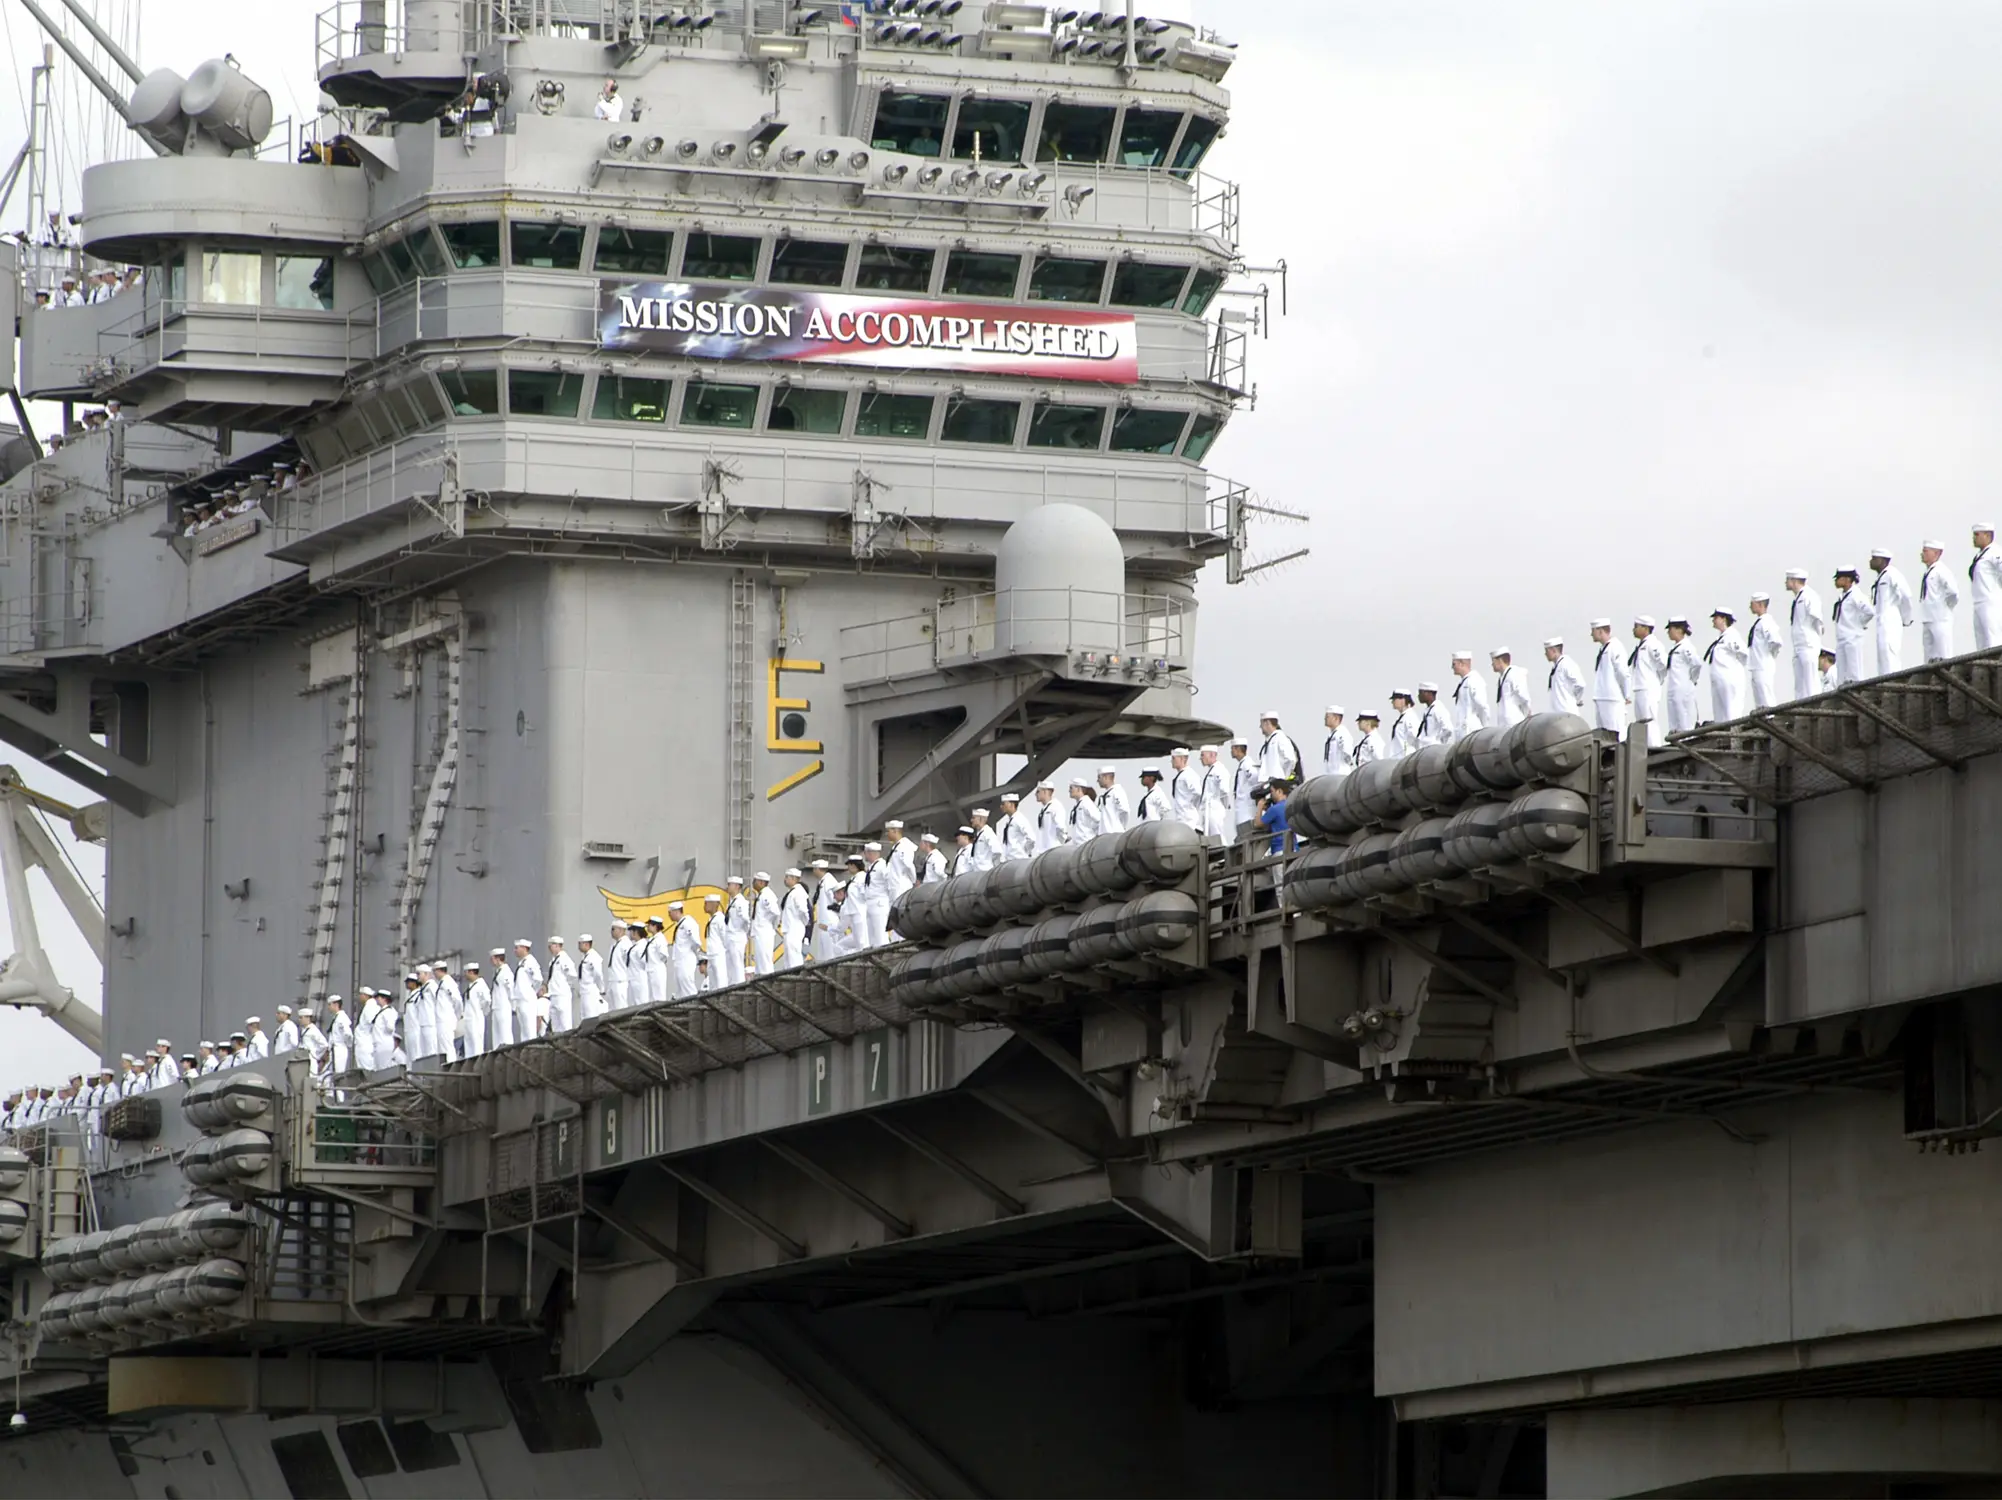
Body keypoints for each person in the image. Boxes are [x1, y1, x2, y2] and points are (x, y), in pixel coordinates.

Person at [1870, 547, 1914, 675]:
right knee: (1882, 653)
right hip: (1882, 621)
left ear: (1883, 560)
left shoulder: (1892, 574)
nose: (1870, 561)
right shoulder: (1881, 577)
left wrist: (1906, 618)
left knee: (1890, 652)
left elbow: (1906, 595)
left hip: (1891, 619)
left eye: (1874, 559)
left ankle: (1893, 682)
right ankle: (1884, 682)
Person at [1702, 608, 1748, 723]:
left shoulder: (1732, 635)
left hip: (1729, 679)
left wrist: (1734, 670)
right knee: (1720, 713)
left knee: (1731, 710)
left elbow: (1743, 654)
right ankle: (1723, 737)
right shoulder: (1721, 637)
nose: (1713, 620)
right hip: (1719, 680)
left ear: (1724, 619)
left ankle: (1733, 736)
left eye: (1716, 618)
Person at [1785, 568, 1825, 699]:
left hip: (1808, 643)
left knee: (1810, 680)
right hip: (1798, 644)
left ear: (1795, 581)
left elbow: (1817, 619)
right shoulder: (1798, 598)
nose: (1786, 583)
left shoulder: (1809, 595)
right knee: (1800, 681)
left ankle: (1815, 705)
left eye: (1788, 580)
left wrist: (1814, 638)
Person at [1832, 566, 1875, 685]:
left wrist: (1859, 623)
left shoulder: (1856, 595)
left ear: (1847, 579)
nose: (1836, 581)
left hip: (1852, 637)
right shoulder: (1844, 595)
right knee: (1842, 672)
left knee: (1854, 671)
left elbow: (1869, 611)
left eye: (1839, 578)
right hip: (1842, 637)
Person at [1918, 539, 1959, 663]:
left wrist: (1946, 607)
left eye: (1925, 551)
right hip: (1928, 617)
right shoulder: (1929, 571)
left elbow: (1953, 592)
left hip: (1940, 617)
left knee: (1943, 653)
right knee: (1929, 655)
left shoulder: (1942, 570)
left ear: (1936, 553)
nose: (1922, 554)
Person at [1587, 620, 1629, 732]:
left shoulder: (1615, 647)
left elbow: (1622, 672)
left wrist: (1626, 693)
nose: (1591, 634)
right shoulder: (1604, 648)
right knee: (1604, 735)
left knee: (1615, 732)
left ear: (1600, 631)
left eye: (1593, 631)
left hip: (1612, 698)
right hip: (1602, 697)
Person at [1661, 617, 1701, 735]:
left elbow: (1697, 664)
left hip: (1683, 687)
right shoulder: (1676, 647)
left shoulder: (1687, 647)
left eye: (1671, 629)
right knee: (1674, 716)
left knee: (1684, 716)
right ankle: (1676, 737)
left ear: (1679, 629)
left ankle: (1685, 739)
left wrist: (1692, 679)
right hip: (1673, 686)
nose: (1668, 632)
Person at [1744, 594, 1785, 710]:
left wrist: (1770, 654)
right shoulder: (1760, 622)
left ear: (1761, 604)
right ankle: (1762, 717)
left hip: (1763, 663)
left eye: (1752, 604)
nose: (1750, 607)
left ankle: (1770, 718)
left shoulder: (1766, 621)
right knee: (1759, 694)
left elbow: (1776, 641)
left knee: (1765, 693)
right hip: (1756, 664)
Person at [1628, 617, 1666, 731]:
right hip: (1640, 688)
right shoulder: (1642, 645)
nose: (1633, 630)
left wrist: (1656, 680)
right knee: (1641, 723)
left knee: (1649, 721)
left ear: (1645, 628)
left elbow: (1663, 665)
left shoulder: (1653, 644)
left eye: (1636, 627)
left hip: (1648, 688)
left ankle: (1653, 747)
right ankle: (1645, 748)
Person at [853, 843, 893, 945]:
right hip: (870, 903)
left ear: (870, 853)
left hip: (879, 903)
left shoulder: (882, 865)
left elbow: (890, 882)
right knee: (872, 936)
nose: (864, 855)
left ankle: (884, 957)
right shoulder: (871, 867)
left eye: (865, 853)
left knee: (880, 934)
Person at [1972, 522, 2002, 650]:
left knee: (1992, 638)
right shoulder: (1980, 555)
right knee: (1981, 640)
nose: (1974, 538)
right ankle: (1984, 668)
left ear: (1987, 535)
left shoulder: (1995, 552)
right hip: (1978, 601)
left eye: (1977, 535)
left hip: (1990, 601)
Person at [1197, 747, 1234, 840]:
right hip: (1208, 809)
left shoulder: (1220, 769)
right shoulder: (1212, 769)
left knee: (1217, 835)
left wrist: (1225, 804)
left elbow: (1224, 790)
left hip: (1214, 808)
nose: (1201, 758)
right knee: (1210, 837)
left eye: (1203, 755)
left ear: (1212, 755)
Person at [1544, 638, 1587, 716]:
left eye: (1547, 651)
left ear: (1554, 650)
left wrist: (1577, 699)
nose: (1545, 654)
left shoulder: (1567, 663)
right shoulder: (1556, 666)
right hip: (1558, 712)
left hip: (1567, 711)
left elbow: (1580, 684)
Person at [1254, 712, 1301, 785]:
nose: (1260, 727)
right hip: (1267, 784)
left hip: (1276, 785)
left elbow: (1290, 759)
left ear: (1267, 723)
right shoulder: (1269, 741)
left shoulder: (1281, 738)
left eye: (1262, 723)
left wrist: (1282, 778)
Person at [722, 878, 753, 985]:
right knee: (729, 965)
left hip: (737, 936)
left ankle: (739, 985)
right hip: (730, 936)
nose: (728, 886)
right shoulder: (732, 901)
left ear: (737, 886)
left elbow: (745, 920)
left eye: (730, 884)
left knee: (737, 964)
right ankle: (731, 985)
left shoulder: (741, 902)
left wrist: (742, 932)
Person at [669, 901, 702, 996]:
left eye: (670, 913)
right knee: (680, 987)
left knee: (687, 984)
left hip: (686, 959)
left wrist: (692, 952)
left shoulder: (688, 922)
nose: (669, 915)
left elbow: (696, 942)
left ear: (676, 911)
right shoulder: (680, 925)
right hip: (679, 960)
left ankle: (694, 1006)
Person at [513, 939, 545, 1037]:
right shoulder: (522, 962)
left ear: (524, 948)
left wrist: (531, 991)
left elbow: (538, 979)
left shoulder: (531, 961)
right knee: (524, 1029)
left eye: (517, 948)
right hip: (520, 999)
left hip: (527, 999)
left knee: (529, 1028)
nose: (515, 950)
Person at [750, 873, 781, 976]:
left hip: (764, 932)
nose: (753, 883)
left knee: (765, 961)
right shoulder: (762, 894)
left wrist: (771, 925)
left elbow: (775, 912)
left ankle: (767, 982)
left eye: (755, 881)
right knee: (760, 960)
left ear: (762, 882)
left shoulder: (767, 895)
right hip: (759, 932)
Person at [1491, 649, 1531, 727]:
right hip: (1504, 722)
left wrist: (1527, 715)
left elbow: (1523, 696)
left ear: (1499, 661)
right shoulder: (1502, 677)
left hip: (1514, 721)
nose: (1492, 664)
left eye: (1494, 661)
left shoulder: (1514, 674)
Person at [883, 820, 918, 908]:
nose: (886, 834)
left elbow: (909, 866)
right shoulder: (896, 846)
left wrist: (914, 881)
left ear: (895, 831)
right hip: (894, 887)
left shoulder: (904, 846)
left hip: (901, 886)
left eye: (888, 831)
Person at [779, 869, 810, 969]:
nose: (785, 879)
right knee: (788, 957)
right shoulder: (792, 892)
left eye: (787, 877)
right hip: (789, 928)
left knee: (794, 957)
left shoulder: (798, 892)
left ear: (793, 878)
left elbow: (803, 911)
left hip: (795, 929)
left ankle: (796, 977)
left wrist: (803, 923)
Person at [1167, 749, 1202, 830]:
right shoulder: (1181, 775)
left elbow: (1198, 793)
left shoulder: (1189, 774)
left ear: (1183, 759)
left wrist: (1190, 805)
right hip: (1181, 817)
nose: (1171, 761)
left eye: (1174, 758)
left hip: (1189, 819)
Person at [488, 951, 517, 1049]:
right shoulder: (498, 971)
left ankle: (508, 1051)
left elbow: (511, 990)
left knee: (505, 1032)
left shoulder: (506, 972)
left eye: (492, 959)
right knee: (496, 1034)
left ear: (497, 959)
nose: (491, 961)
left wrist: (513, 1005)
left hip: (504, 1005)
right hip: (496, 1005)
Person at [994, 792, 1033, 862]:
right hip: (1010, 860)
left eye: (1004, 804)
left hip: (1019, 859)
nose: (1001, 806)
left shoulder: (1019, 819)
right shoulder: (1009, 821)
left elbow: (1031, 838)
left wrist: (1025, 851)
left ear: (1012, 804)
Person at [576, 933, 608, 1019]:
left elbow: (598, 974)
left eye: (580, 944)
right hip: (584, 990)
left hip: (590, 990)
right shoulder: (585, 957)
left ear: (586, 944)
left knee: (590, 1015)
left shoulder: (594, 956)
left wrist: (601, 988)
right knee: (584, 1015)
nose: (578, 946)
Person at [702, 894, 732, 985]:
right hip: (711, 954)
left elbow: (724, 936)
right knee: (712, 981)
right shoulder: (711, 919)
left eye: (707, 903)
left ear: (714, 904)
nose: (704, 906)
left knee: (720, 979)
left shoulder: (720, 918)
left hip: (718, 954)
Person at [1319, 708, 1354, 780]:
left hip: (1340, 774)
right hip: (1331, 774)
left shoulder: (1342, 733)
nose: (1325, 719)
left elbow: (1348, 753)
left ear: (1336, 718)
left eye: (1328, 716)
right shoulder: (1332, 734)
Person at [1415, 683, 1454, 748]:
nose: (1418, 696)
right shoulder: (1428, 709)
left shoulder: (1438, 708)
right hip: (1425, 748)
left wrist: (1438, 741)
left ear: (1429, 693)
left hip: (1433, 748)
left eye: (1421, 693)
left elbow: (1448, 729)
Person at [642, 915, 670, 1006]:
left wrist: (657, 964)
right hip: (651, 969)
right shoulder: (653, 939)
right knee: (653, 995)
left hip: (657, 969)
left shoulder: (660, 939)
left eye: (650, 925)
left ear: (655, 926)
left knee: (659, 994)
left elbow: (664, 955)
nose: (648, 927)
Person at [607, 918, 634, 1010]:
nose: (611, 932)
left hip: (621, 980)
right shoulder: (614, 944)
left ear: (621, 930)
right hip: (612, 980)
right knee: (612, 1008)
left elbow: (629, 962)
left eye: (613, 929)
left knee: (620, 1007)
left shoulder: (626, 944)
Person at [1032, 782, 1066, 853]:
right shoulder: (1045, 809)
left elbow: (1060, 826)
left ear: (1045, 792)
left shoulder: (1056, 806)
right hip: (1044, 851)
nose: (1035, 794)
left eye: (1038, 791)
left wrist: (1063, 840)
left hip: (1053, 851)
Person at [1065, 778, 1101, 843]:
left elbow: (1099, 820)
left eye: (1071, 788)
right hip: (1078, 845)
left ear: (1078, 789)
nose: (1069, 790)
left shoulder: (1087, 803)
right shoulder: (1079, 805)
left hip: (1085, 843)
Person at [1096, 767, 1131, 833]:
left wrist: (1119, 827)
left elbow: (1124, 811)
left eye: (1099, 777)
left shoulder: (1117, 791)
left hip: (1114, 833)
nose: (1097, 780)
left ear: (1106, 777)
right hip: (1104, 833)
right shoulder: (1105, 794)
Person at [325, 995, 353, 1074]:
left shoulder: (342, 1017)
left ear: (336, 1005)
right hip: (334, 1049)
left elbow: (348, 1034)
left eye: (330, 1005)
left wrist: (346, 1044)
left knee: (338, 1073)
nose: (328, 1007)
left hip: (339, 1049)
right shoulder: (336, 1017)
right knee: (331, 1073)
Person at [1386, 691, 1419, 757]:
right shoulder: (1403, 717)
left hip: (1405, 758)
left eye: (1395, 699)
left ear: (1403, 700)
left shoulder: (1410, 716)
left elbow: (1415, 737)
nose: (1392, 702)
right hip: (1398, 758)